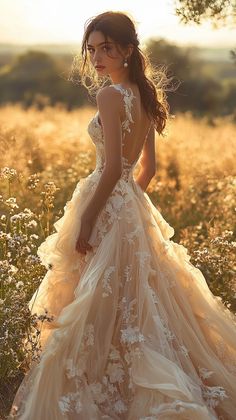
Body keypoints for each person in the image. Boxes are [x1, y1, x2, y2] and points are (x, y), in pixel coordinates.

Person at [9, 10, 236, 420]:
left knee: (101, 301)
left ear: (128, 50)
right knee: (138, 300)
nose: (97, 57)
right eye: (92, 49)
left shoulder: (110, 96)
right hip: (130, 205)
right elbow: (145, 170)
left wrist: (92, 217)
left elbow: (112, 168)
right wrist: (129, 205)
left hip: (107, 201)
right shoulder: (145, 95)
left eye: (106, 48)